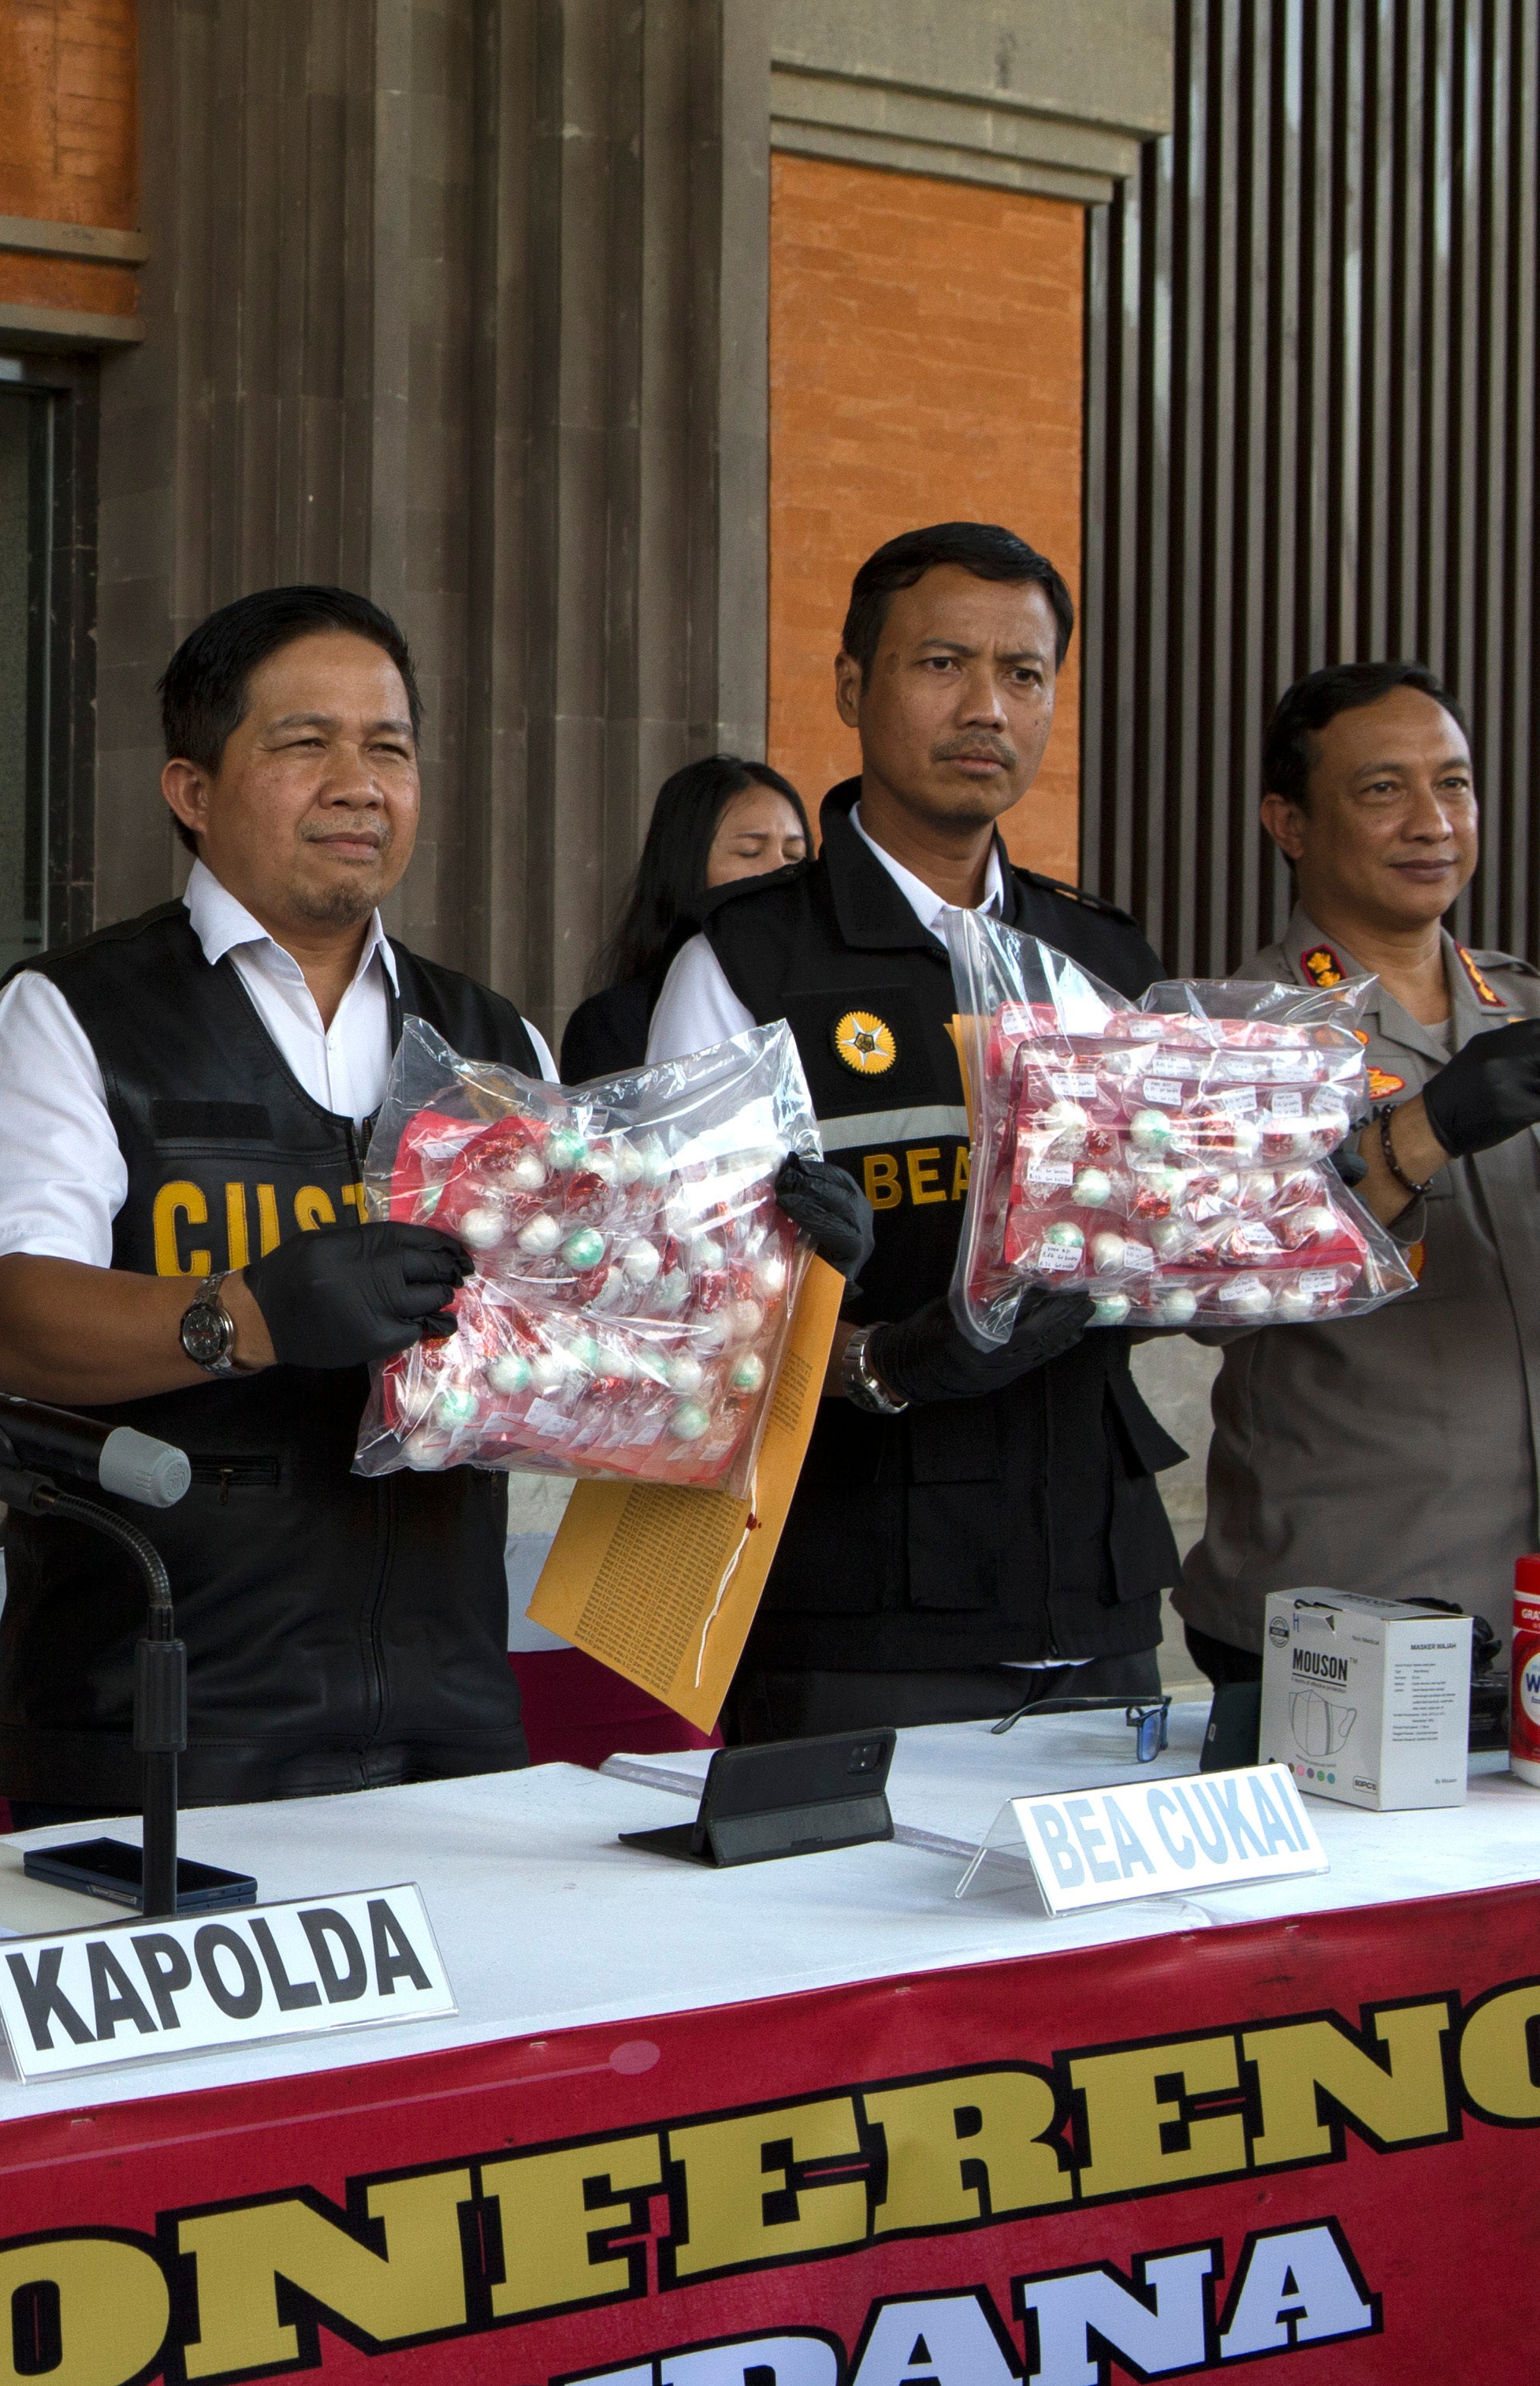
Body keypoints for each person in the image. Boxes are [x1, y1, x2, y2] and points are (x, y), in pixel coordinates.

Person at [0, 589, 857, 1815]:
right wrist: (245, 1317)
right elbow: (0, 1320)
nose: (358, 784)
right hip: (159, 1706)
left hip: (449, 1702)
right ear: (191, 789)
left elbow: (601, 1361)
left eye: (388, 748)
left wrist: (769, 1269)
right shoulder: (74, 1013)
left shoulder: (493, 1039)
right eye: (304, 743)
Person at [649, 522, 1178, 1742]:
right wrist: (878, 1356)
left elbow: (1160, 1259)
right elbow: (678, 1323)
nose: (986, 707)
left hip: (1093, 1593)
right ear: (850, 686)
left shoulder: (1100, 959)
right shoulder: (744, 962)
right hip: (855, 1608)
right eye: (942, 664)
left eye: (1022, 673)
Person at [1176, 662, 1540, 1688]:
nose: (1431, 822)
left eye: (1452, 783)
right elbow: (1199, 1296)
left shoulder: (1520, 1006)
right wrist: (1414, 1138)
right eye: (1383, 789)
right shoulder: (1237, 1031)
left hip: (1523, 1610)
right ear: (1287, 823)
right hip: (1342, 1616)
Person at [558, 754, 810, 1081]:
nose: (781, 869)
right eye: (749, 851)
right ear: (685, 863)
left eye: (794, 855)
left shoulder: (819, 1001)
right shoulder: (612, 1025)